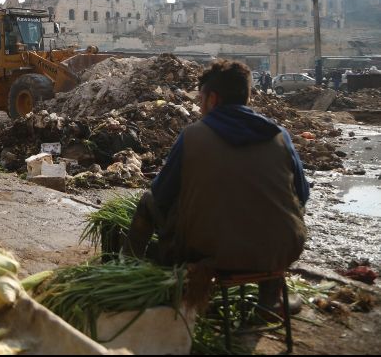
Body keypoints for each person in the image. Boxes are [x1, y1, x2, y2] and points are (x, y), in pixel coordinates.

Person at [124, 59, 308, 314]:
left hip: (205, 251)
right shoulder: (280, 136)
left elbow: (161, 195)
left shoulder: (192, 136)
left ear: (213, 99)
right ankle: (271, 298)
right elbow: (303, 195)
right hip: (278, 252)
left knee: (147, 201)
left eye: (200, 100)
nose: (200, 107)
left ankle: (128, 276)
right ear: (248, 97)